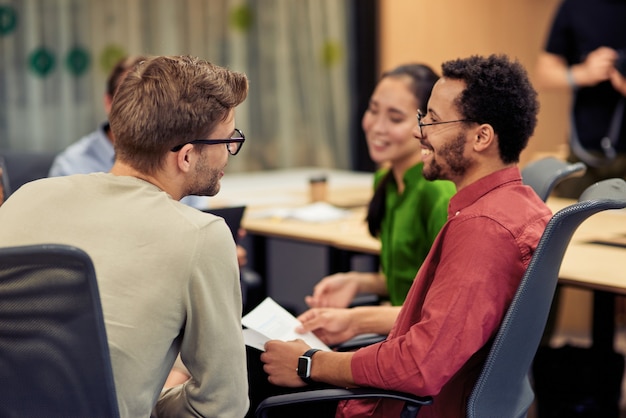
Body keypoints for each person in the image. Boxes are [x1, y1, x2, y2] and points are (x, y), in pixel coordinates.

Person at [259, 54, 552, 418]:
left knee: (256, 386)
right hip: (430, 397)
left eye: (432, 119)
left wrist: (310, 364)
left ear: (481, 137)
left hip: (411, 407)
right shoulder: (519, 206)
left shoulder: (484, 229)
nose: (420, 131)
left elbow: (419, 366)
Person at [0, 55, 250, 417]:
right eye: (228, 142)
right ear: (185, 157)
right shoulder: (202, 235)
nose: (229, 155)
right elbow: (222, 405)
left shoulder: (27, 195)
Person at [303, 64, 455, 337]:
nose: (377, 126)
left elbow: (446, 311)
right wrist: (358, 282)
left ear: (426, 124)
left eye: (395, 118)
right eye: (373, 110)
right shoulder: (385, 182)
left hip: (420, 343)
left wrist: (355, 320)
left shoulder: (437, 191)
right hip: (397, 333)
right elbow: (406, 279)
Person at [535, 0, 626, 198]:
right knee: (574, 221)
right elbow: (544, 74)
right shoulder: (574, 7)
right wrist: (582, 74)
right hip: (583, 152)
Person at [48, 55, 145, 177]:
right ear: (108, 102)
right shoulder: (72, 165)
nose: (141, 107)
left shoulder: (170, 158)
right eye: (128, 96)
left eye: (150, 98)